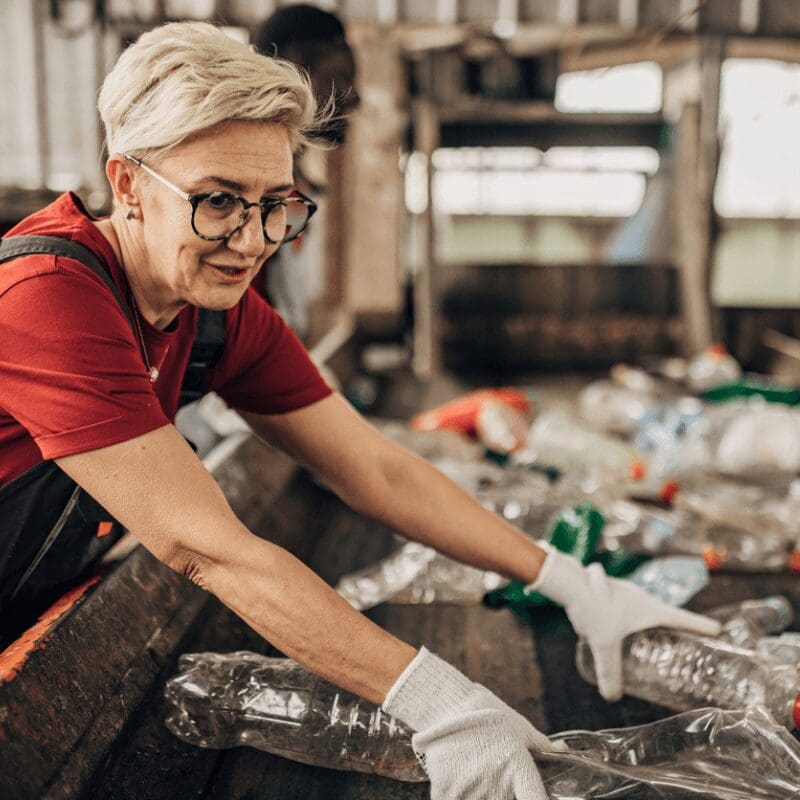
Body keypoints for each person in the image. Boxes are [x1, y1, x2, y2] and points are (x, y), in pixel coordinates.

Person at [0, 22, 720, 800]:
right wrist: (442, 707)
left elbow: (373, 466)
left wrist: (570, 582)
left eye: (276, 205)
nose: (251, 241)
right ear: (130, 183)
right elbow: (208, 550)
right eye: (217, 203)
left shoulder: (215, 312)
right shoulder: (50, 297)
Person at [252, 3, 358, 337]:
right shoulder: (247, 186)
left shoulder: (297, 188)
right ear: (299, 75)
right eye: (340, 78)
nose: (356, 100)